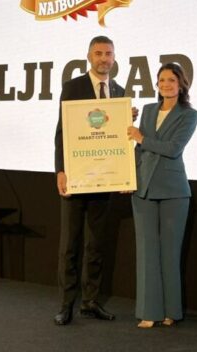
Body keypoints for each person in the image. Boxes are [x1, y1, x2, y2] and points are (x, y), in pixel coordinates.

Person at [53, 35, 135, 325]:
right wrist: (60, 170)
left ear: (114, 57)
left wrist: (127, 119)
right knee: (70, 246)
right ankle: (66, 304)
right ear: (89, 56)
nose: (104, 58)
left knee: (96, 245)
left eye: (108, 53)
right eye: (98, 53)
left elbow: (116, 136)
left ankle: (90, 301)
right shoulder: (73, 87)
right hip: (76, 178)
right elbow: (62, 132)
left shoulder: (119, 92)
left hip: (104, 180)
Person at [126, 63, 197, 328]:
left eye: (171, 80)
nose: (166, 84)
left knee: (170, 252)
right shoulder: (147, 110)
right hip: (143, 188)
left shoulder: (189, 115)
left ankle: (171, 311)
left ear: (181, 85)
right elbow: (137, 151)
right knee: (146, 251)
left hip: (173, 191)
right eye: (162, 80)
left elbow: (173, 148)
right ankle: (149, 312)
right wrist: (128, 177)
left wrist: (142, 138)